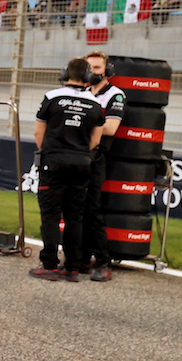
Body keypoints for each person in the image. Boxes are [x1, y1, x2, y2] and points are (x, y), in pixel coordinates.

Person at [31, 58, 105, 281]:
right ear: (89, 77)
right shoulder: (95, 104)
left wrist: (51, 152)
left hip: (53, 162)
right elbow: (96, 140)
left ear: (65, 74)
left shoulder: (52, 97)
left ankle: (50, 265)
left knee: (51, 216)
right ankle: (72, 267)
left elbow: (38, 133)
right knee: (75, 216)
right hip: (82, 163)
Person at [83, 50, 126, 282]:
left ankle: (102, 261)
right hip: (75, 155)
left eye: (97, 68)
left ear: (107, 71)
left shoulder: (115, 95)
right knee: (71, 209)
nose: (93, 72)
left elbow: (110, 128)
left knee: (92, 210)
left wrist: (81, 123)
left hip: (96, 158)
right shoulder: (80, 92)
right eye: (89, 68)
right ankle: (78, 257)